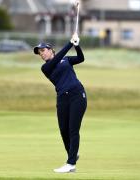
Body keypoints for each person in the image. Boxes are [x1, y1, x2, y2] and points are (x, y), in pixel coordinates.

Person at [33, 33, 87, 173]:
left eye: (43, 51)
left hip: (77, 95)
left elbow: (81, 58)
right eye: (40, 53)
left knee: (73, 129)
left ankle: (71, 164)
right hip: (62, 98)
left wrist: (76, 45)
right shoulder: (46, 68)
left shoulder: (66, 59)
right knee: (63, 130)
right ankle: (73, 153)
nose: (41, 54)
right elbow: (56, 60)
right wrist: (70, 43)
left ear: (51, 50)